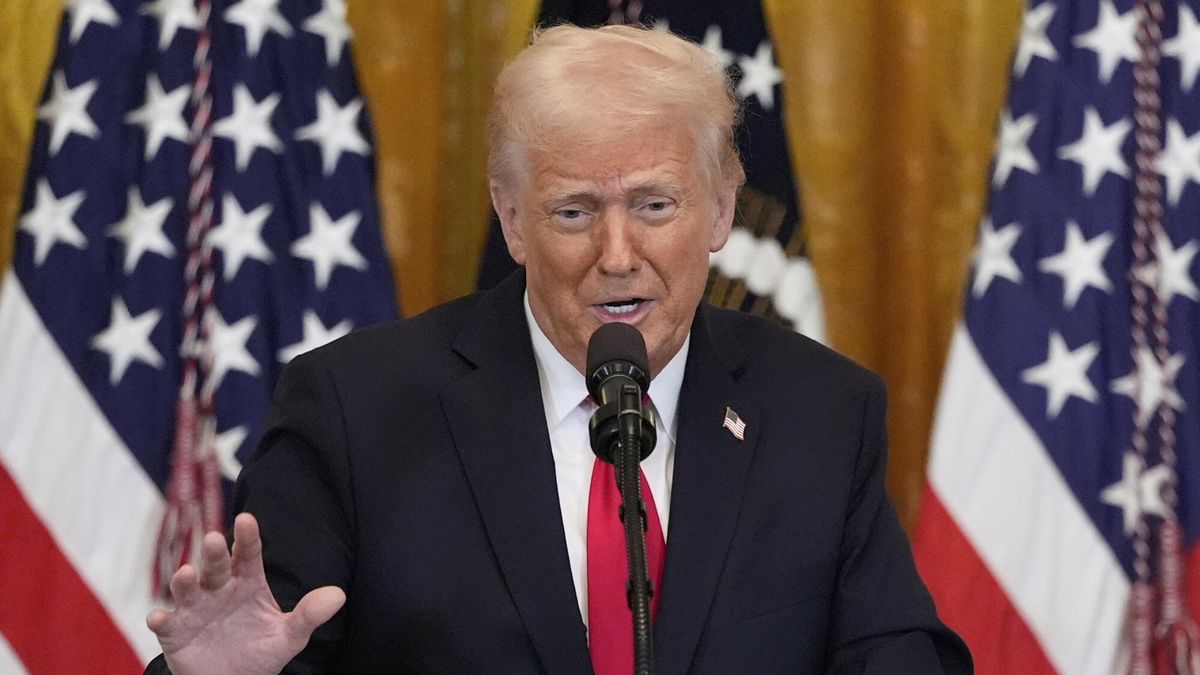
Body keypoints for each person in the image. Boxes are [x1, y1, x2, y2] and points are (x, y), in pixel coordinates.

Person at [146, 24, 971, 674]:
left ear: (721, 210)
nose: (616, 254)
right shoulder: (357, 411)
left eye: (655, 205)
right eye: (574, 211)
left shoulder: (820, 411)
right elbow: (274, 645)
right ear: (512, 220)